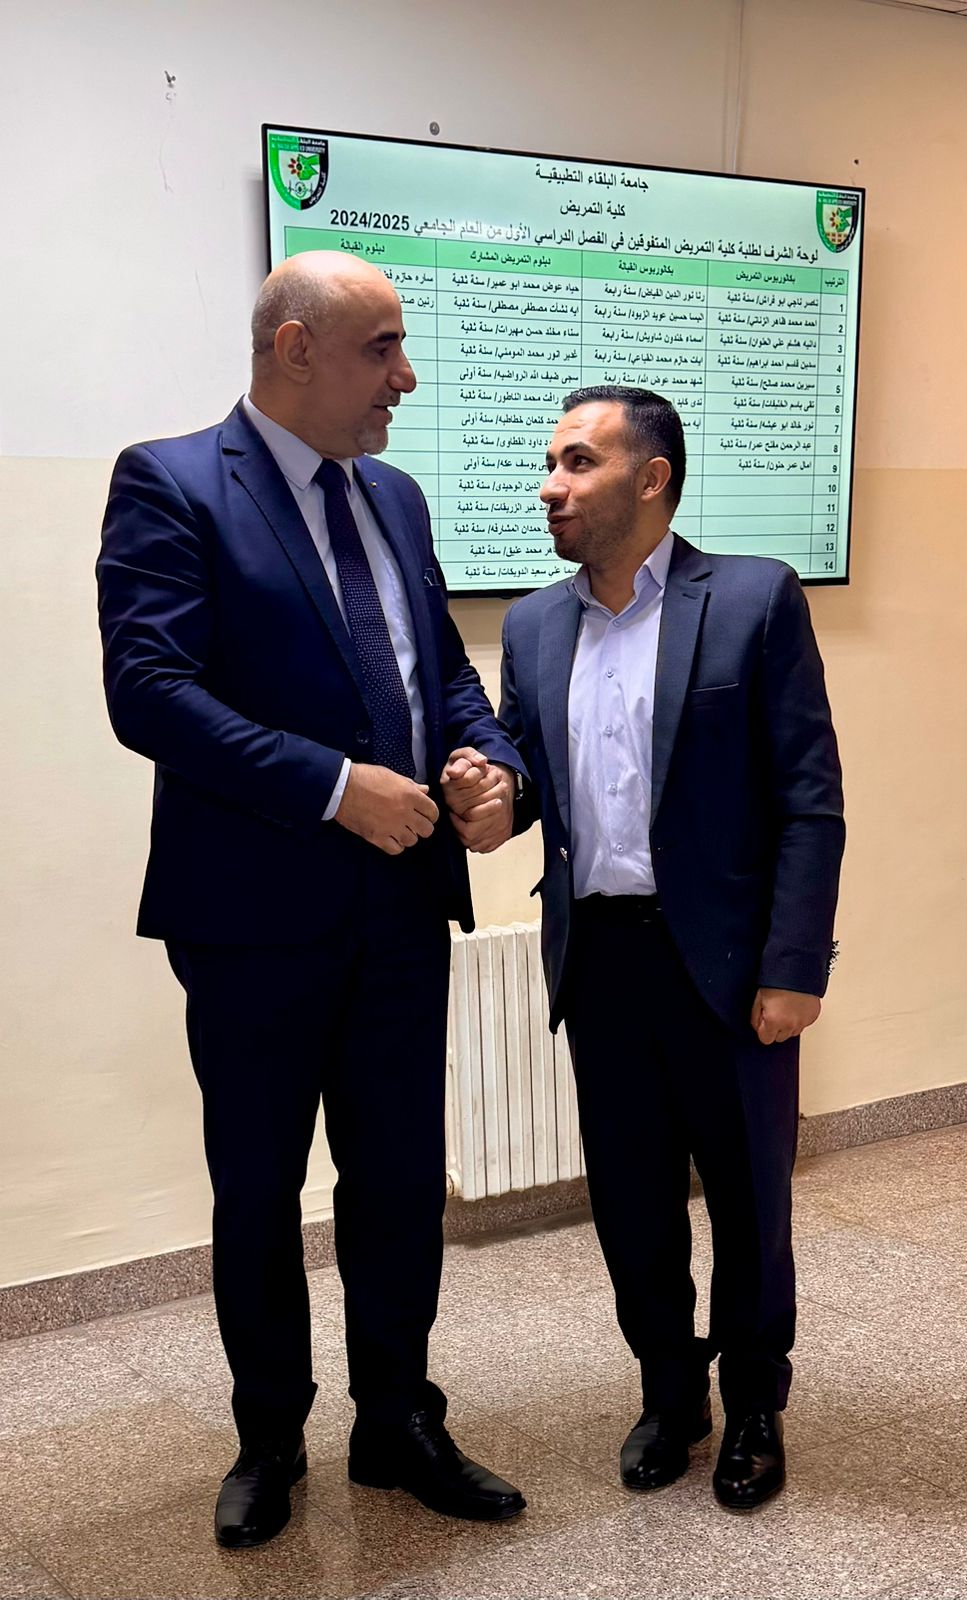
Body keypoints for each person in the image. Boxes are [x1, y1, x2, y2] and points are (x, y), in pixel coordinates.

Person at [96, 251, 526, 1548]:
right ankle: (269, 1439)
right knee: (259, 1190)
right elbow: (150, 692)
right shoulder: (173, 483)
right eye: (381, 347)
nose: (405, 376)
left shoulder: (395, 496)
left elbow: (439, 671)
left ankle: (397, 1420)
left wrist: (486, 762)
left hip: (402, 908)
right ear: (294, 349)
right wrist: (334, 787)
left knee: (398, 1182)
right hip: (251, 920)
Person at [476, 384, 844, 1511]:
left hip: (728, 968)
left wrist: (793, 966)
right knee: (632, 1203)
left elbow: (809, 798)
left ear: (651, 478)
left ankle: (755, 1403)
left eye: (577, 462)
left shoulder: (753, 599)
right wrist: (492, 796)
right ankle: (670, 1392)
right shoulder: (535, 626)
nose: (551, 486)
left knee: (748, 1203)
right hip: (600, 963)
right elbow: (529, 775)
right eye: (550, 463)